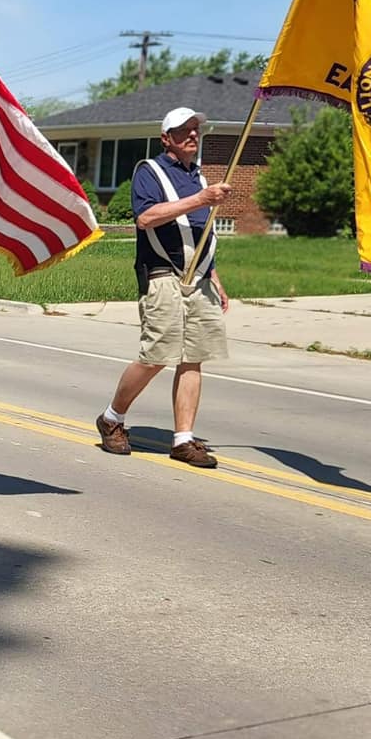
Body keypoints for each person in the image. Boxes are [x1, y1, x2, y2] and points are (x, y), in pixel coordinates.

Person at [95, 106, 230, 469]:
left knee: (193, 358)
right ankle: (112, 418)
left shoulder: (200, 179)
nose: (191, 135)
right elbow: (146, 217)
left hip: (199, 279)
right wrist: (202, 199)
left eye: (195, 130)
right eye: (183, 130)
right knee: (155, 355)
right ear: (165, 138)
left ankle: (183, 439)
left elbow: (202, 233)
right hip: (162, 275)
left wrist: (213, 276)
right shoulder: (149, 172)